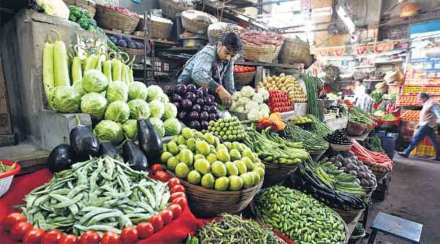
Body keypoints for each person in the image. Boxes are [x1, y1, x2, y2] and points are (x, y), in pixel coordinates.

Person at [177, 32, 242, 105]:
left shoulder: (229, 59)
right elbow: (198, 74)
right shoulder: (208, 53)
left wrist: (235, 98)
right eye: (226, 53)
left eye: (232, 56)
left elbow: (229, 81)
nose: (228, 57)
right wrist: (219, 89)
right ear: (220, 45)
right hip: (186, 90)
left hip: (202, 93)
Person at [399, 93, 440, 160]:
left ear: (424, 98)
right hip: (427, 125)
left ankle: (406, 152)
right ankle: (439, 156)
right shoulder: (427, 103)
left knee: (416, 138)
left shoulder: (432, 104)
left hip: (427, 125)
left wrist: (437, 123)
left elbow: (438, 113)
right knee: (434, 141)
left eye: (420, 99)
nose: (419, 100)